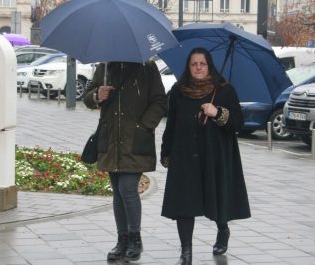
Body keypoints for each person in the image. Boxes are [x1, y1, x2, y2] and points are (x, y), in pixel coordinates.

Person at [160, 47, 251, 265]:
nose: (198, 68)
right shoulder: (178, 90)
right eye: (194, 64)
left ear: (209, 65)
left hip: (214, 155)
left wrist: (217, 112)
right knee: (184, 203)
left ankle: (222, 229)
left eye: (202, 63)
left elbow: (238, 124)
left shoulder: (225, 91)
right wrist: (166, 150)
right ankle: (186, 252)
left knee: (216, 197)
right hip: (184, 154)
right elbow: (171, 123)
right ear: (188, 67)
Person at [84, 61, 167, 262]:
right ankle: (122, 240)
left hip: (134, 140)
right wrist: (97, 95)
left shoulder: (147, 68)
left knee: (127, 188)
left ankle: (135, 239)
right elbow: (88, 97)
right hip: (111, 139)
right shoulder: (104, 67)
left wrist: (144, 126)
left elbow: (160, 101)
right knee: (117, 191)